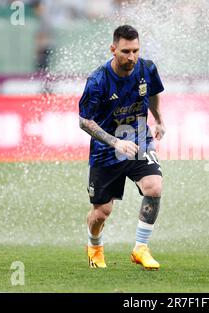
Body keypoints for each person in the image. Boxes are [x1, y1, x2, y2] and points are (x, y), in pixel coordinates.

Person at [78, 25, 166, 270]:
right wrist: (115, 142)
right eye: (126, 51)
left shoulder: (147, 68)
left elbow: (154, 92)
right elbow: (84, 121)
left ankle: (141, 248)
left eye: (135, 50)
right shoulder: (98, 81)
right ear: (113, 49)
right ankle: (94, 245)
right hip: (106, 151)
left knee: (154, 187)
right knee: (101, 213)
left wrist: (158, 118)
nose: (131, 57)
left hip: (139, 139)